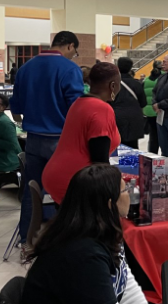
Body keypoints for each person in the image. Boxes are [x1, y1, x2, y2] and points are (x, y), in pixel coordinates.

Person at [22, 164, 163, 304]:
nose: (130, 193)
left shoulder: (104, 233)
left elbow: (128, 291)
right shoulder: (82, 256)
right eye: (124, 189)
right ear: (109, 204)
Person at [10, 31, 85, 246]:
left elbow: (15, 107)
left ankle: (26, 237)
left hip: (33, 139)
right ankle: (63, 240)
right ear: (70, 46)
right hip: (60, 140)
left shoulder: (26, 68)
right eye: (75, 52)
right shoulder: (69, 68)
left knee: (31, 189)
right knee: (66, 191)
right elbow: (76, 108)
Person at [42, 63, 121, 205]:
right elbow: (100, 162)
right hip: (75, 181)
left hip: (56, 175)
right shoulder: (102, 108)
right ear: (113, 86)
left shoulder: (80, 102)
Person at [112, 57, 147, 149]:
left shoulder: (112, 83)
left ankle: (118, 163)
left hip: (116, 117)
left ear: (117, 67)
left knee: (117, 146)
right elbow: (143, 103)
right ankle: (131, 163)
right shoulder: (137, 84)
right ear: (130, 68)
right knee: (133, 147)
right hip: (134, 119)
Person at [143, 61, 162, 153]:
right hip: (160, 110)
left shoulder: (146, 80)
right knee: (162, 134)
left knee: (153, 134)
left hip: (149, 111)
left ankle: (152, 152)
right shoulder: (164, 78)